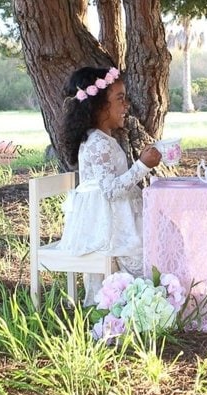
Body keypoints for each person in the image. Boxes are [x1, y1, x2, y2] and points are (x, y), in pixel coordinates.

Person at [58, 66, 162, 306]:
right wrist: (141, 166)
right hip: (104, 220)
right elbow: (111, 191)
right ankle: (134, 302)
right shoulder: (98, 143)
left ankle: (142, 299)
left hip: (114, 213)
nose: (126, 105)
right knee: (143, 249)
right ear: (98, 107)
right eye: (120, 99)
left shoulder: (104, 139)